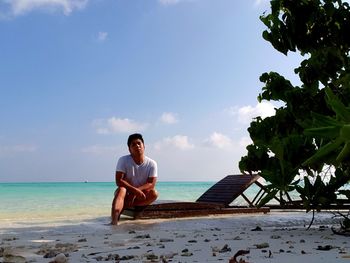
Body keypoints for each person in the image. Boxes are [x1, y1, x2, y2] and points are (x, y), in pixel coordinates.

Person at [111, 133, 158, 225]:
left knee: (154, 193)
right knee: (121, 190)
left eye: (139, 143)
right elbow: (118, 181)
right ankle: (114, 221)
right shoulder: (123, 160)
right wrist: (134, 191)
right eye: (133, 144)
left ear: (144, 146)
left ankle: (127, 205)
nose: (137, 146)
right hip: (126, 193)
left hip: (141, 195)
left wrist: (137, 192)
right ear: (129, 149)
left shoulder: (152, 163)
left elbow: (151, 183)